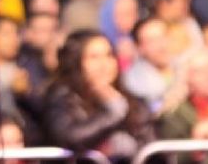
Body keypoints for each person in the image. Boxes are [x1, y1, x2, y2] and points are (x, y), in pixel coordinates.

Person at [41, 29, 154, 161]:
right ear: (76, 62)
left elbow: (151, 146)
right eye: (94, 57)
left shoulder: (131, 99)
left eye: (109, 55)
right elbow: (69, 137)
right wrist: (113, 112)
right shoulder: (61, 96)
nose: (104, 64)